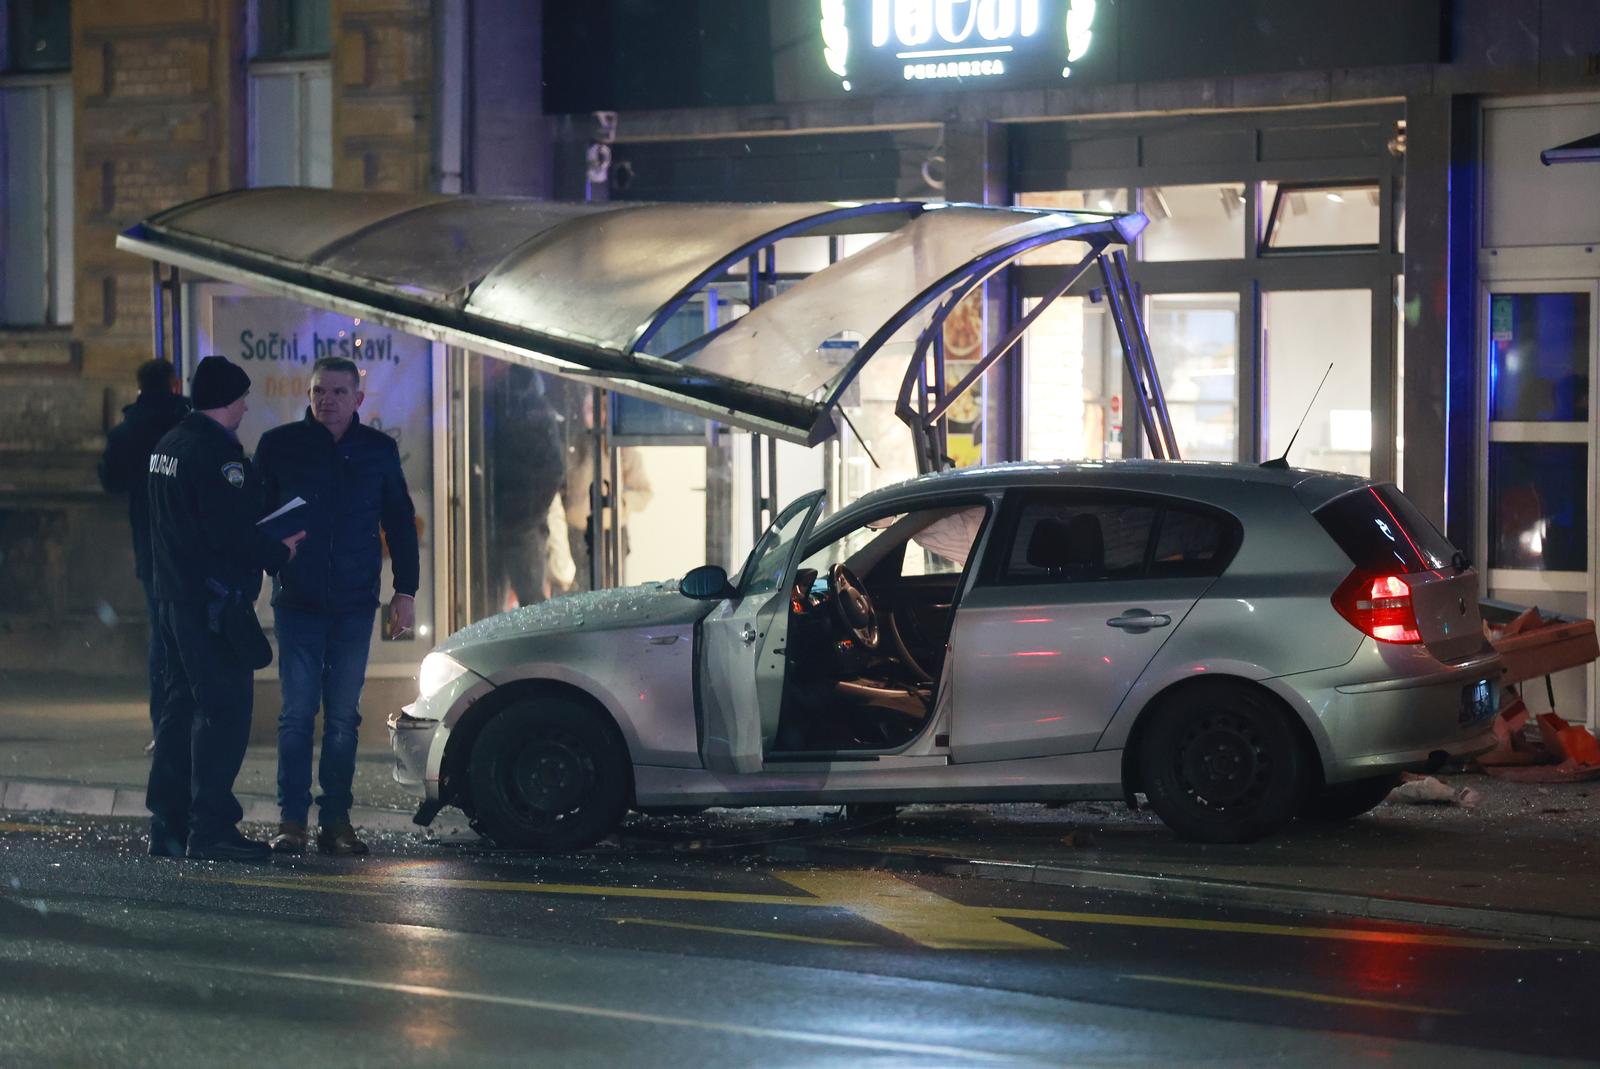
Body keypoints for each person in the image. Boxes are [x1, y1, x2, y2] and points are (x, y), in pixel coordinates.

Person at [254, 356, 420, 856]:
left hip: (353, 602)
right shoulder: (280, 446)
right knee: (298, 713)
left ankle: (336, 819)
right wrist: (262, 565)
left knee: (344, 717)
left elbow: (399, 519)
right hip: (299, 599)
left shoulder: (377, 451)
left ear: (359, 400)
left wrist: (405, 590)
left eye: (338, 392)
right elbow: (255, 515)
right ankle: (291, 819)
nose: (326, 400)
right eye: (318, 391)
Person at [146, 356, 305, 862]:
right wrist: (281, 551)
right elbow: (229, 532)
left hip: (174, 599)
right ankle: (210, 828)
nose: (245, 407)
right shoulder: (218, 455)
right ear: (228, 401)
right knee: (224, 713)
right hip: (213, 604)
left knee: (179, 710)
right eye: (242, 399)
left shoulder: (168, 445)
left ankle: (168, 824)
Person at [97, 359, 190, 752]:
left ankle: (164, 728)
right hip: (191, 543)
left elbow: (111, 480)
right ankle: (192, 726)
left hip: (151, 545)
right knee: (194, 635)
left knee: (161, 635)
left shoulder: (128, 430)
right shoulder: (187, 422)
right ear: (173, 383)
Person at [488, 364, 565, 609]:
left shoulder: (527, 411)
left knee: (528, 602)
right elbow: (554, 469)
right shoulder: (531, 410)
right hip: (516, 519)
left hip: (518, 521)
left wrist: (529, 513)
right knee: (528, 602)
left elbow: (553, 470)